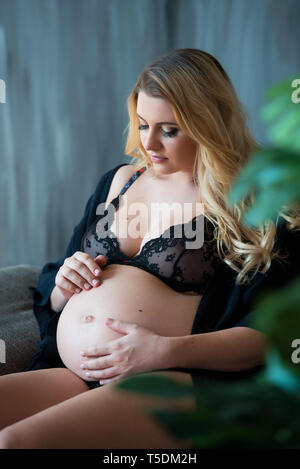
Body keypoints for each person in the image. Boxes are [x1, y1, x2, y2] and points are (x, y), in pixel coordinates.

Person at [0, 48, 299, 449]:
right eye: (143, 124)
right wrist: (62, 288)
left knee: (15, 443)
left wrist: (161, 351)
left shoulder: (254, 203)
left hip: (175, 377)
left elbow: (271, 333)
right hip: (75, 373)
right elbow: (54, 283)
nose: (150, 142)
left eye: (169, 129)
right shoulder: (119, 181)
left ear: (208, 122)